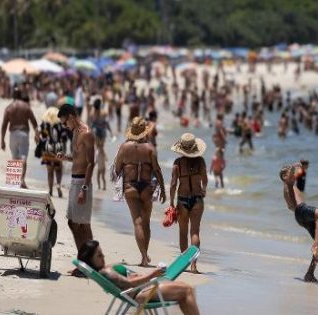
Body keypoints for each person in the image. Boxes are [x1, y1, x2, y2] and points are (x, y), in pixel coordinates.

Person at [78, 240, 200, 315]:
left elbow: (124, 281)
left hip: (143, 290)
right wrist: (153, 274)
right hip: (142, 292)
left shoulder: (103, 271)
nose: (103, 256)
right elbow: (128, 284)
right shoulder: (106, 272)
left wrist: (135, 274)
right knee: (187, 290)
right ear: (90, 260)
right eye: (99, 255)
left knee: (183, 294)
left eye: (102, 253)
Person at [114, 117, 166, 267]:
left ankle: (144, 256)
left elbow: (117, 170)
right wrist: (163, 189)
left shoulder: (124, 147)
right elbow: (157, 170)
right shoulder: (150, 148)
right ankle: (144, 257)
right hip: (146, 188)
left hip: (130, 187)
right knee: (146, 223)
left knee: (137, 222)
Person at [56, 104, 96, 268]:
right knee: (75, 223)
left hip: (82, 182)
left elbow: (91, 163)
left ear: (71, 117)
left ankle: (87, 262)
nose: (65, 126)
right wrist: (66, 157)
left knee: (82, 224)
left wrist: (84, 190)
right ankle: (86, 261)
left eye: (65, 123)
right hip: (74, 180)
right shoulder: (75, 132)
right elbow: (79, 158)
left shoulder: (86, 133)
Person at [280, 163, 318, 282]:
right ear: (285, 177)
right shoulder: (288, 184)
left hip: (299, 215)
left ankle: (310, 273)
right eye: (290, 173)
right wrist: (294, 166)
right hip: (301, 210)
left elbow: (290, 206)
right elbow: (289, 176)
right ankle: (315, 244)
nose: (293, 174)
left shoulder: (289, 187)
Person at [170, 133, 208, 273]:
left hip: (182, 199)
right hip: (197, 199)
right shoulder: (201, 162)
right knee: (195, 232)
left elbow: (173, 184)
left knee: (182, 232)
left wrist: (171, 202)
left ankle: (183, 264)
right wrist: (204, 190)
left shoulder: (178, 163)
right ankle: (194, 266)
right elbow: (205, 179)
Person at [1, 88, 39, 188]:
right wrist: (37, 134)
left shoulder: (9, 107)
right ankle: (22, 179)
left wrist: (2, 140)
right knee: (23, 157)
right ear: (21, 95)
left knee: (14, 157)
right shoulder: (26, 106)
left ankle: (14, 182)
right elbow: (34, 122)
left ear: (13, 96)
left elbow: (4, 125)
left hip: (13, 134)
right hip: (24, 133)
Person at [38, 107, 68, 197]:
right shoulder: (61, 124)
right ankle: (58, 185)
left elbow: (41, 135)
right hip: (58, 149)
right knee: (58, 169)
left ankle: (50, 190)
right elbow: (64, 138)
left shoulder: (44, 123)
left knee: (49, 171)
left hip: (47, 149)